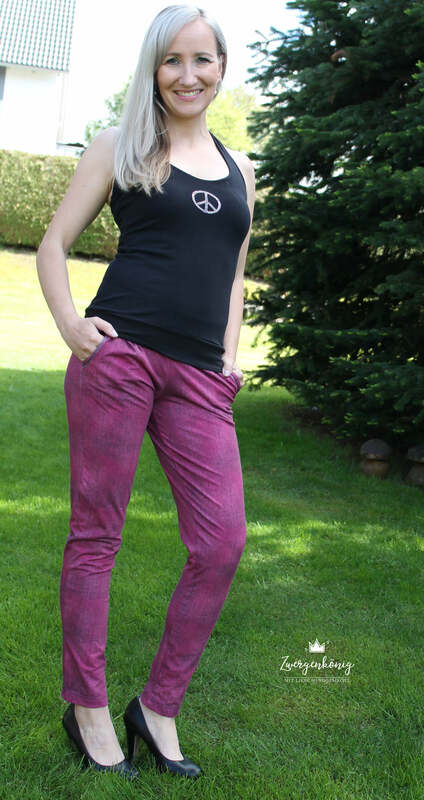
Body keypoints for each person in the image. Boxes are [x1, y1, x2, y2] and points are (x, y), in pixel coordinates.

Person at [36, 3, 255, 782]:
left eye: (202, 59)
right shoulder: (121, 145)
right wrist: (72, 325)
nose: (188, 75)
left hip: (200, 378)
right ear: (153, 70)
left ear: (221, 67)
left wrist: (228, 361)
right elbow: (54, 244)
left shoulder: (241, 169)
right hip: (119, 358)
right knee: (97, 536)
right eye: (172, 60)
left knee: (222, 542)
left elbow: (233, 277)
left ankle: (158, 708)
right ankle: (88, 708)